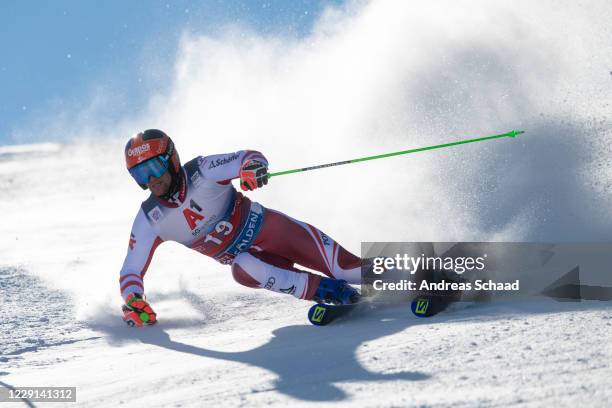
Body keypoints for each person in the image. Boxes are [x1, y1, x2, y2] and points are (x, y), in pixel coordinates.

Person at [120, 129, 362, 327]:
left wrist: (251, 169)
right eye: (140, 174)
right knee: (242, 267)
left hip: (275, 232)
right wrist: (133, 299)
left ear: (171, 160)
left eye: (154, 168)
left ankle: (397, 268)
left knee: (350, 270)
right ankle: (328, 291)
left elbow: (247, 157)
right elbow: (131, 269)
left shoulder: (202, 171)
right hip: (255, 262)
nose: (151, 180)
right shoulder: (150, 218)